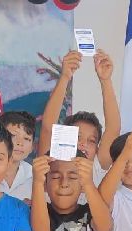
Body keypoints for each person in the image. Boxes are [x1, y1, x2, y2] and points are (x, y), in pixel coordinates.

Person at [38, 49, 120, 185]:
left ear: (97, 149)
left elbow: (113, 129)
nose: (83, 144)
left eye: (92, 141)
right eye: (77, 137)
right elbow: (48, 128)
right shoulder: (51, 162)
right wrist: (65, 76)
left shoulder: (97, 167)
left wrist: (105, 80)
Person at [0, 111, 37, 203]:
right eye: (13, 136)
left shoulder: (34, 176)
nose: (20, 143)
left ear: (32, 147)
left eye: (27, 138)